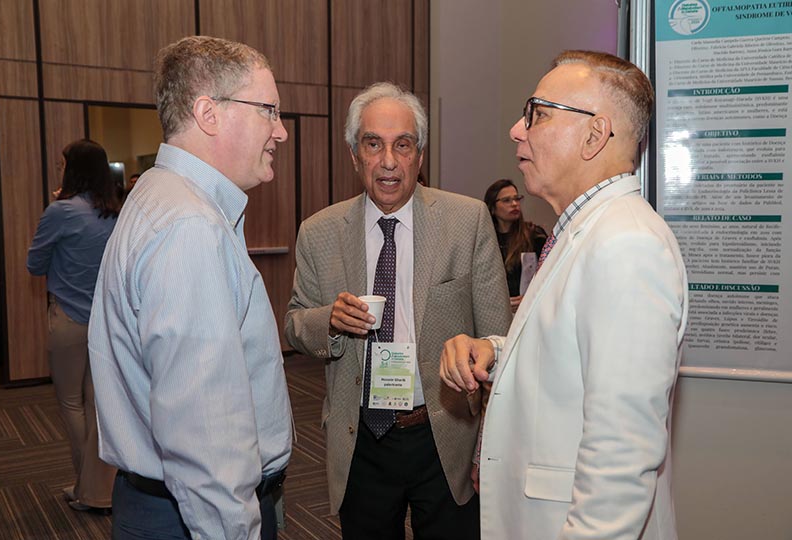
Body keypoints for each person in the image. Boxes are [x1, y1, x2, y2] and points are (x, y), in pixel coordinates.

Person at [440, 50, 688, 539]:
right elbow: (573, 355)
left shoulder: (627, 245)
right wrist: (495, 350)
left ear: (595, 135)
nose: (516, 129)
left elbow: (620, 460)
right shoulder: (583, 231)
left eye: (537, 114)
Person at [87, 36, 293, 540]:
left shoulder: (160, 196)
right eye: (268, 110)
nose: (281, 131)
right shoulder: (189, 226)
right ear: (208, 113)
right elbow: (206, 437)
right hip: (189, 518)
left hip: (162, 505)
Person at [285, 82, 511, 540]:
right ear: (354, 155)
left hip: (445, 435)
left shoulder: (466, 221)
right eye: (374, 144)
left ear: (419, 156)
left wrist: (488, 449)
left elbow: (499, 338)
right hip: (361, 438)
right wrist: (329, 321)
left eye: (402, 145)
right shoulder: (319, 232)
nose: (388, 161)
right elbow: (294, 324)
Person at [27, 138, 120, 515]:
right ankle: (98, 490)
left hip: (67, 318)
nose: (59, 170)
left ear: (75, 170)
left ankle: (86, 490)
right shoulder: (114, 213)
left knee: (70, 404)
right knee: (97, 407)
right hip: (104, 322)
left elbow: (35, 264)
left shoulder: (60, 212)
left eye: (63, 165)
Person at [483, 179, 548, 311]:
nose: (514, 204)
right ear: (492, 208)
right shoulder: (485, 239)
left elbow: (549, 274)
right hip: (495, 309)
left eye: (517, 199)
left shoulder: (534, 235)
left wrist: (530, 298)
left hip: (529, 307)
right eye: (506, 200)